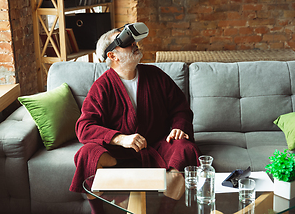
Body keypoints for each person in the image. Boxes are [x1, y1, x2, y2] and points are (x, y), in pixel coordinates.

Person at [69, 24, 201, 213]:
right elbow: (84, 126)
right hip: (118, 153)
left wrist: (179, 126)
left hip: (157, 146)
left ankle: (165, 210)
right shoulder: (102, 87)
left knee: (185, 149)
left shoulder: (156, 76)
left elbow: (180, 108)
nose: (134, 45)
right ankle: (98, 211)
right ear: (112, 56)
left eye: (133, 41)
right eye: (127, 43)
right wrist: (120, 139)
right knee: (86, 154)